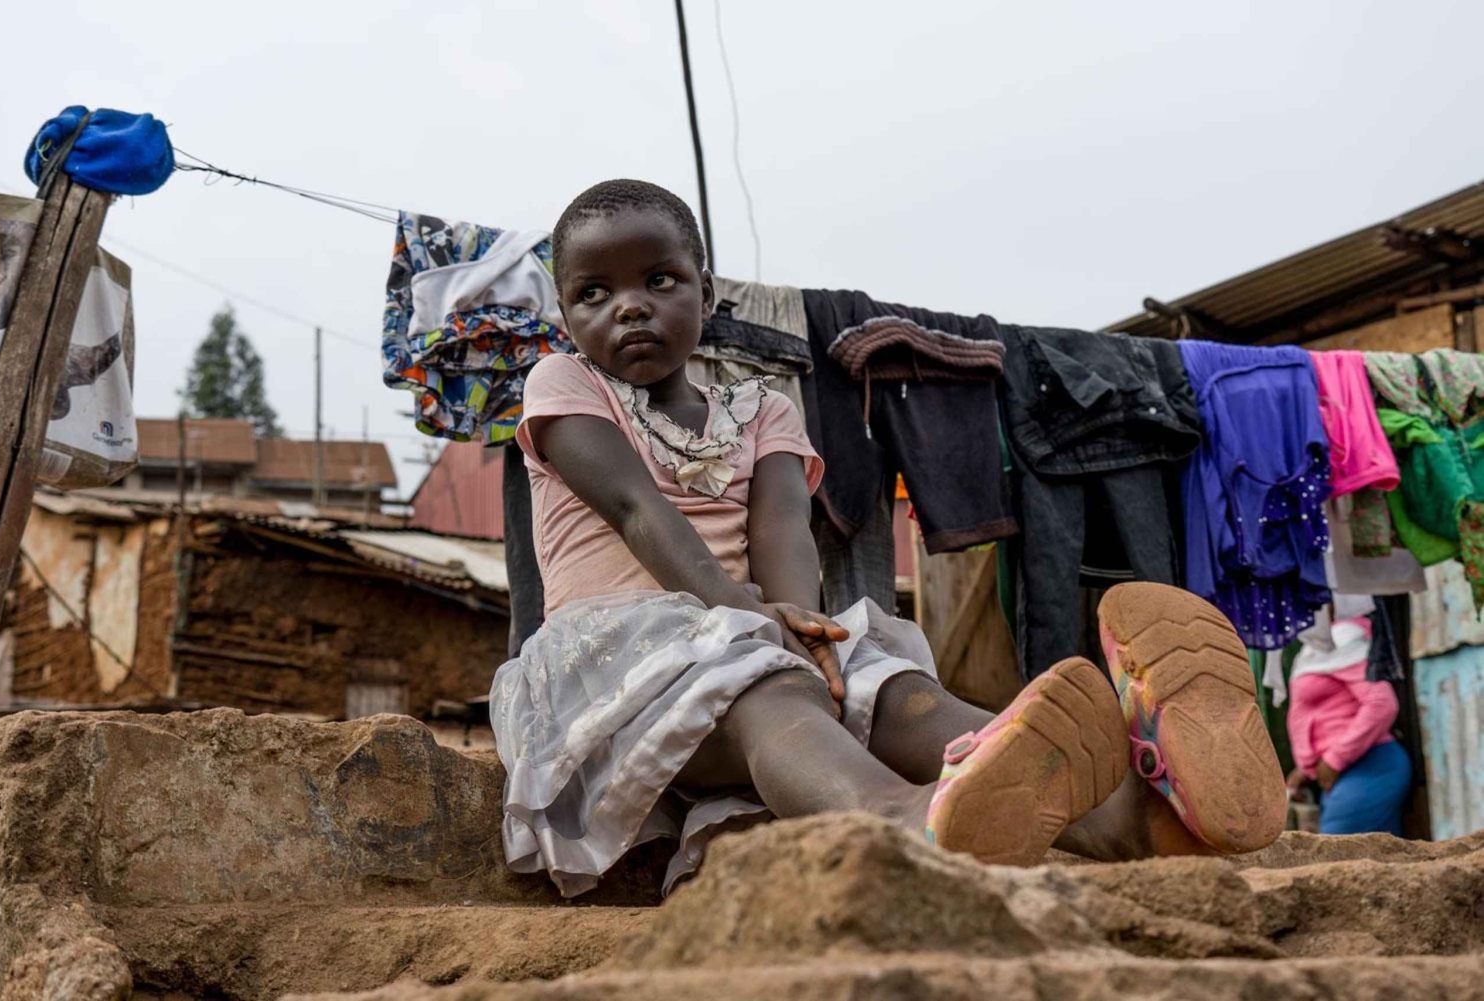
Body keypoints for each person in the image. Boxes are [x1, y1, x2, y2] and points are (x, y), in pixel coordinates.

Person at [489, 179, 1289, 897]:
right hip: (611, 669)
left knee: (891, 689)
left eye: (658, 280)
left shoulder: (762, 408)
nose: (629, 306)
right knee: (770, 694)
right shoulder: (563, 384)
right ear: (566, 315)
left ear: (707, 287)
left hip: (743, 633)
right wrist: (753, 622)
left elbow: (783, 529)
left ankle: (1132, 819)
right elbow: (635, 508)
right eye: (594, 293)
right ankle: (904, 815)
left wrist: (802, 628)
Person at [1285, 612, 1411, 835]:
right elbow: (1323, 715)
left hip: (1371, 766)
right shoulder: (1317, 646)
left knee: (1333, 851)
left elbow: (1382, 703)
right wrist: (1305, 768)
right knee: (1379, 855)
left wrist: (1335, 760)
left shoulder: (1345, 639)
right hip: (1342, 775)